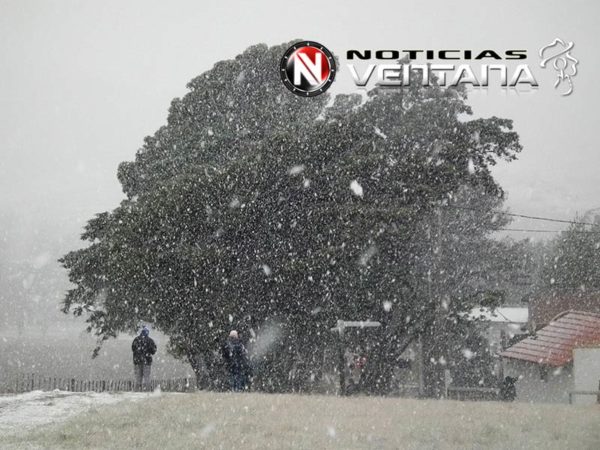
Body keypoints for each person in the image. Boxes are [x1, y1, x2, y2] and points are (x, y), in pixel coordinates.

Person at [132, 326, 157, 391]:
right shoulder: (150, 341)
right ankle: (147, 391)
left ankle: (137, 391)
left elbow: (133, 349)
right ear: (147, 333)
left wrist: (138, 355)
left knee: (138, 377)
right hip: (147, 361)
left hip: (137, 361)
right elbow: (153, 351)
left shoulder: (136, 339)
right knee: (147, 377)